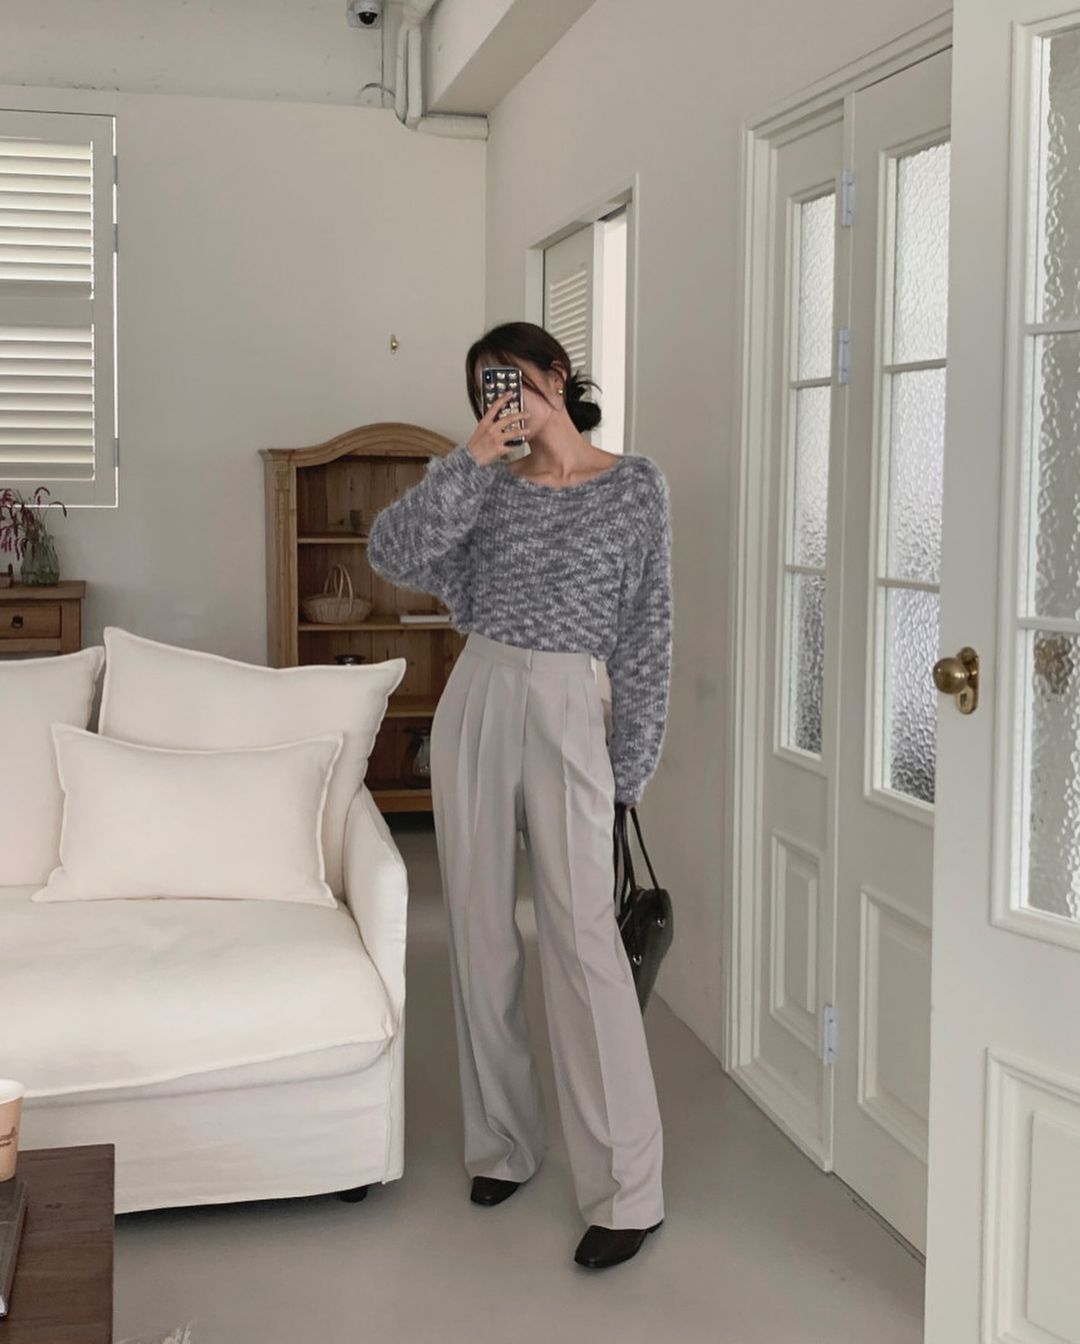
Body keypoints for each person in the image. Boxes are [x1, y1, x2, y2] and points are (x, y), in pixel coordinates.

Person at [366, 321, 673, 1270]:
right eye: (482, 393)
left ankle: (628, 1190)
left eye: (509, 382)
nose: (500, 403)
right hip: (480, 692)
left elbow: (648, 635)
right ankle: (504, 1141)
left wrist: (629, 768)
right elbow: (391, 552)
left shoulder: (636, 488)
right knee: (479, 928)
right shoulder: (483, 487)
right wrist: (467, 458)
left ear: (556, 374)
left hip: (574, 703)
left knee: (584, 941)